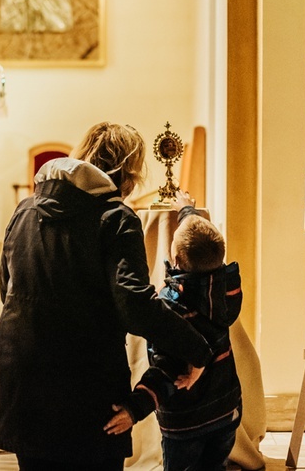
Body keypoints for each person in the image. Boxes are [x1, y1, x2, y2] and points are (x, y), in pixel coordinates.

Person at [0, 122, 213, 471]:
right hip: (82, 393)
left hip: (21, 386)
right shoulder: (115, 218)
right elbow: (133, 303)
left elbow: (7, 287)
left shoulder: (25, 210)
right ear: (128, 171)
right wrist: (196, 349)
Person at [104, 192, 243, 471]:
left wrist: (135, 408)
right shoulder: (227, 292)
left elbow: (165, 370)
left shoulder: (170, 308)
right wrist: (188, 211)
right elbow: (202, 244)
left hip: (187, 422)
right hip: (226, 410)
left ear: (175, 258)